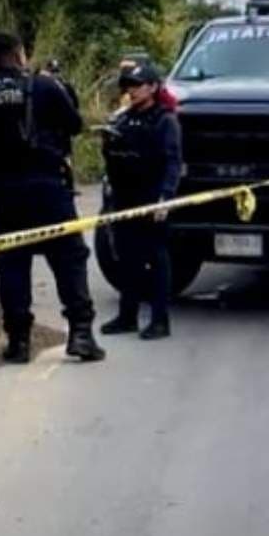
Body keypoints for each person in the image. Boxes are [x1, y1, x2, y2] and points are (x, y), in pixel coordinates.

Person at [0, 32, 106, 364]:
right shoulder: (43, 86)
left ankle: (18, 342)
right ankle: (81, 334)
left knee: (11, 263)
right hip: (47, 186)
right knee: (69, 258)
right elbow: (75, 124)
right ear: (19, 54)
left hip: (1, 189)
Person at [99, 60, 183, 340]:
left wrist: (166, 197)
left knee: (156, 259)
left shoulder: (164, 120)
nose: (131, 91)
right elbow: (114, 159)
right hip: (124, 196)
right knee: (127, 258)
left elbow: (173, 161)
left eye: (137, 86)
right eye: (128, 86)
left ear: (153, 87)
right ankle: (128, 316)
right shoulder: (124, 118)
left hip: (151, 196)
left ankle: (160, 320)